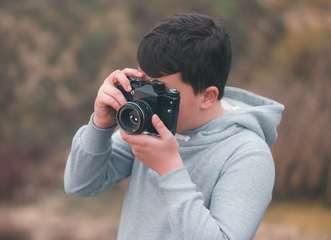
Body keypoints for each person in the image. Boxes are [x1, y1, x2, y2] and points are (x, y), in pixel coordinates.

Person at [64, 12, 284, 240]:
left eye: (162, 91)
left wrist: (169, 170)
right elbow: (80, 185)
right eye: (144, 85)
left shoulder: (248, 155)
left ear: (208, 96)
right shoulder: (149, 123)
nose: (147, 98)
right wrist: (100, 126)